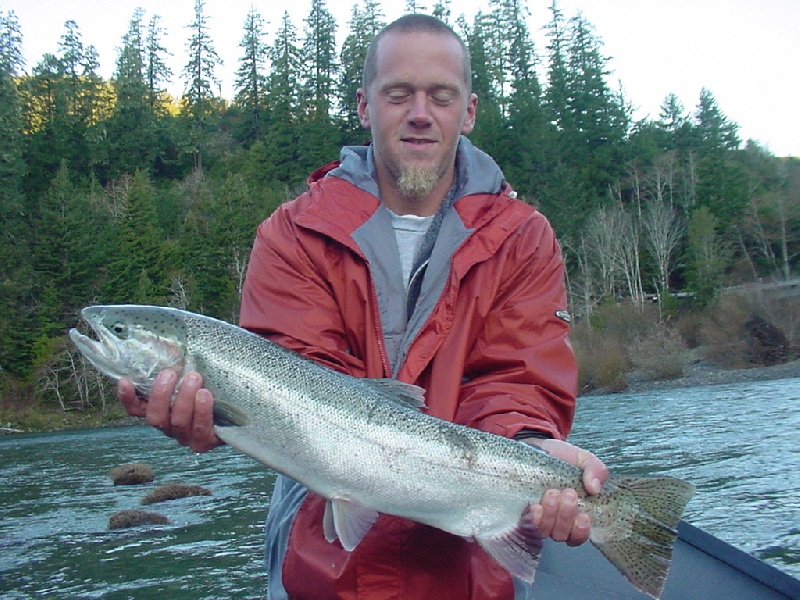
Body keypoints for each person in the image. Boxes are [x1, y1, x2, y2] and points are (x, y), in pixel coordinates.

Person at [118, 14, 608, 600]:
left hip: (468, 568)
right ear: (364, 105)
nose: (420, 112)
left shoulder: (523, 237)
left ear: (469, 110)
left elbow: (516, 381)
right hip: (318, 558)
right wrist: (216, 421)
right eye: (398, 93)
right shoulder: (294, 234)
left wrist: (530, 448)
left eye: (441, 96)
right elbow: (298, 380)